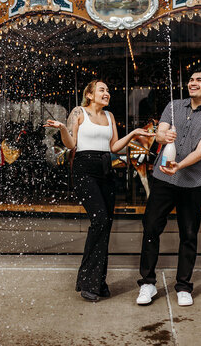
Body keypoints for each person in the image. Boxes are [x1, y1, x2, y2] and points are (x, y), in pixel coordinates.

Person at [45, 79, 150, 302]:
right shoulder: (78, 112)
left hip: (106, 169)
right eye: (102, 89)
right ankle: (88, 279)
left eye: (108, 90)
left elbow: (113, 147)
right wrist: (64, 128)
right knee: (100, 219)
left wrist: (132, 135)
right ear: (90, 94)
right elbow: (71, 145)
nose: (107, 93)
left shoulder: (109, 116)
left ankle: (97, 282)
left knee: (105, 225)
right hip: (85, 168)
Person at [136, 67, 201, 307]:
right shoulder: (173, 106)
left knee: (188, 235)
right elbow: (160, 132)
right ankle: (147, 283)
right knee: (151, 228)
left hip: (192, 184)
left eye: (199, 80)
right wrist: (162, 137)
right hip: (162, 180)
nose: (192, 83)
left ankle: (184, 286)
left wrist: (179, 166)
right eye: (191, 80)